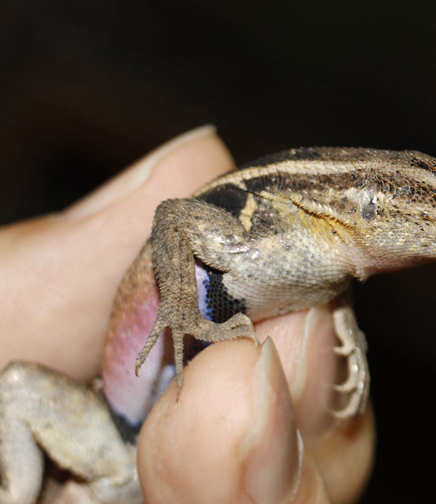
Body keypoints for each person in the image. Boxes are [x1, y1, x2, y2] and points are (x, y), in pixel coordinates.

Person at [0, 126, 374, 504]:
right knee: (19, 388)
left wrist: (345, 321)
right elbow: (173, 218)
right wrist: (184, 312)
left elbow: (331, 275)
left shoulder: (318, 263)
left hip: (151, 454)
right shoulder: (260, 227)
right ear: (371, 202)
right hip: (108, 442)